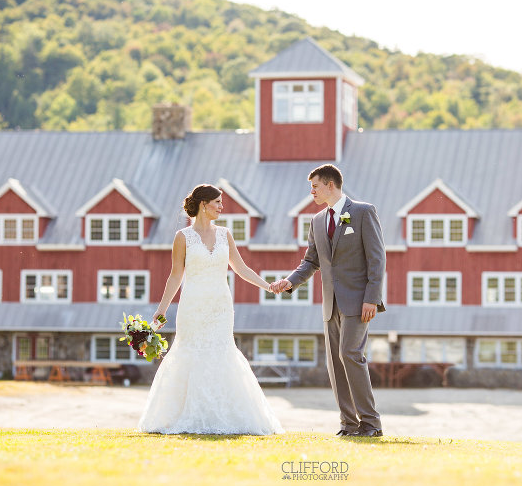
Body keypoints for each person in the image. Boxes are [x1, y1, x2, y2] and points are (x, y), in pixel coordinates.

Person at [138, 184, 283, 435]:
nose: (221, 206)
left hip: (220, 307)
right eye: (217, 202)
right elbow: (175, 276)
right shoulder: (182, 237)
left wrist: (267, 286)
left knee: (221, 351)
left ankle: (226, 415)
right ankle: (185, 415)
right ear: (203, 205)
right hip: (192, 307)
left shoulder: (225, 234)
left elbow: (241, 268)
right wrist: (161, 311)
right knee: (190, 353)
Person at [270, 164, 386, 437]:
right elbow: (311, 261)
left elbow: (377, 259)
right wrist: (290, 281)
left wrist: (372, 298)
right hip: (330, 303)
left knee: (350, 353)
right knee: (335, 360)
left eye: (315, 186)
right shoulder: (317, 221)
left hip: (359, 302)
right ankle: (349, 424)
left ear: (330, 185)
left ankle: (371, 423)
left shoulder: (363, 212)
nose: (312, 191)